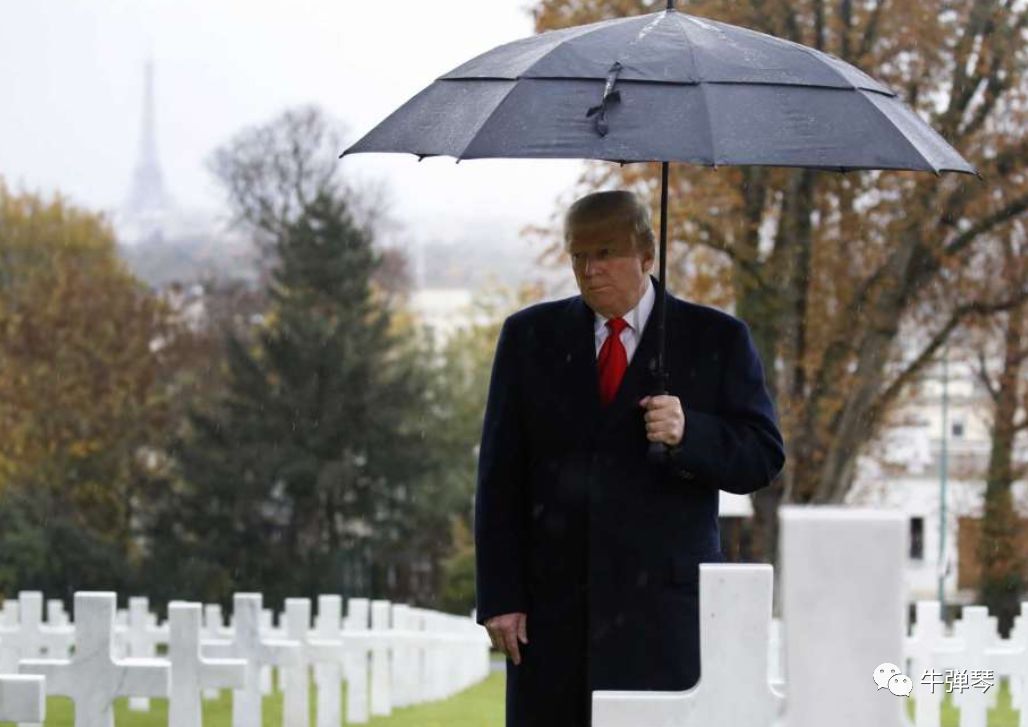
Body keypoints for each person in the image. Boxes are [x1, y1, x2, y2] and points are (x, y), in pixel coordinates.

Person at [474, 190, 785, 727]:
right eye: (577, 256)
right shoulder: (528, 338)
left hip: (663, 616)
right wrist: (500, 595)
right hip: (552, 618)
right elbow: (499, 478)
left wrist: (692, 433)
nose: (590, 270)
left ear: (646, 254)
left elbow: (762, 455)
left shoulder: (717, 338)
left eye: (605, 252)